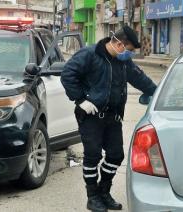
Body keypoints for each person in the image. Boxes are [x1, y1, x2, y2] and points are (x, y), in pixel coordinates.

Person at [60, 26, 157, 212]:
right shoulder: (90, 54)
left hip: (113, 116)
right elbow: (67, 74)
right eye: (128, 50)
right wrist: (80, 99)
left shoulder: (123, 62)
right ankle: (92, 196)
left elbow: (139, 78)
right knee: (93, 155)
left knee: (115, 156)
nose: (129, 55)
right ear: (119, 44)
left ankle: (104, 192)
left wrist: (157, 92)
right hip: (90, 116)